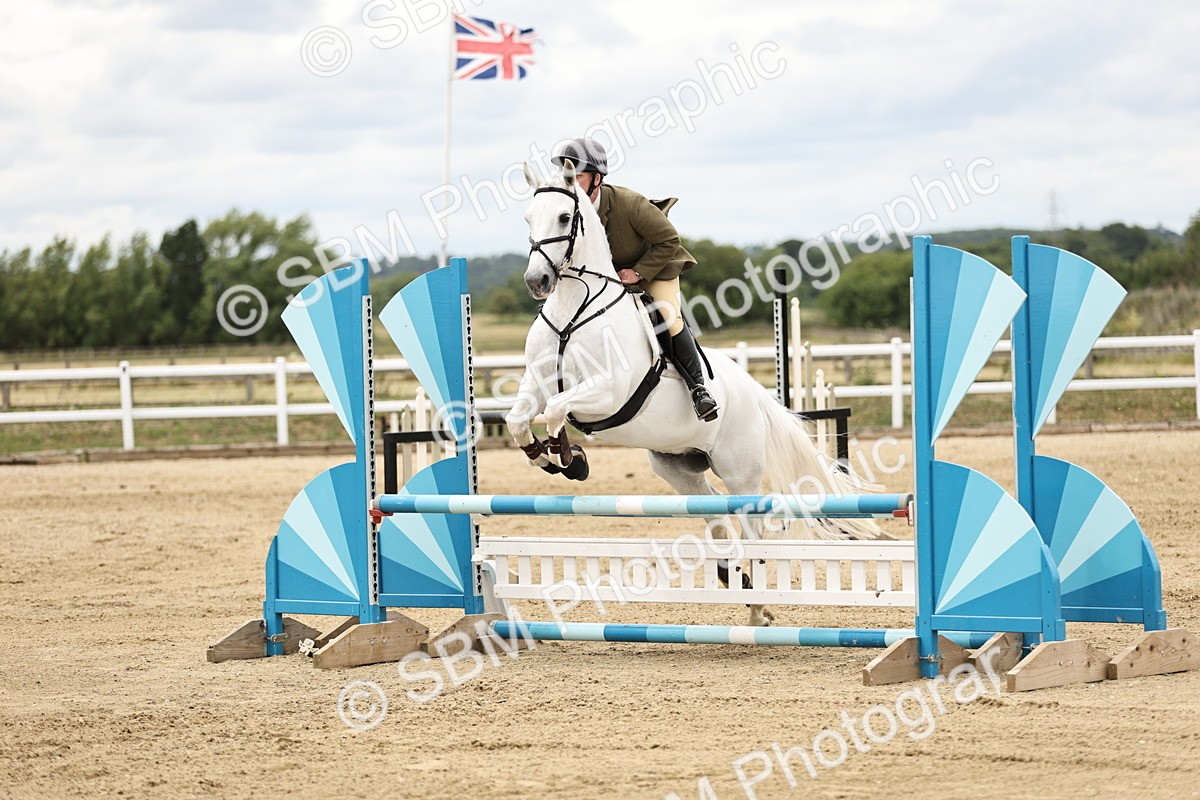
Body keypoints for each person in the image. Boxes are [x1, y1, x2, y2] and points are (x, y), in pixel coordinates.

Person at [550, 137, 719, 421]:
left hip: (654, 266)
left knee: (666, 315)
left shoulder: (630, 204)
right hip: (610, 276)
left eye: (577, 176)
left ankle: (698, 389)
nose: (571, 183)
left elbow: (668, 239)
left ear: (597, 179)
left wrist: (639, 272)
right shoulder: (569, 211)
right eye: (568, 176)